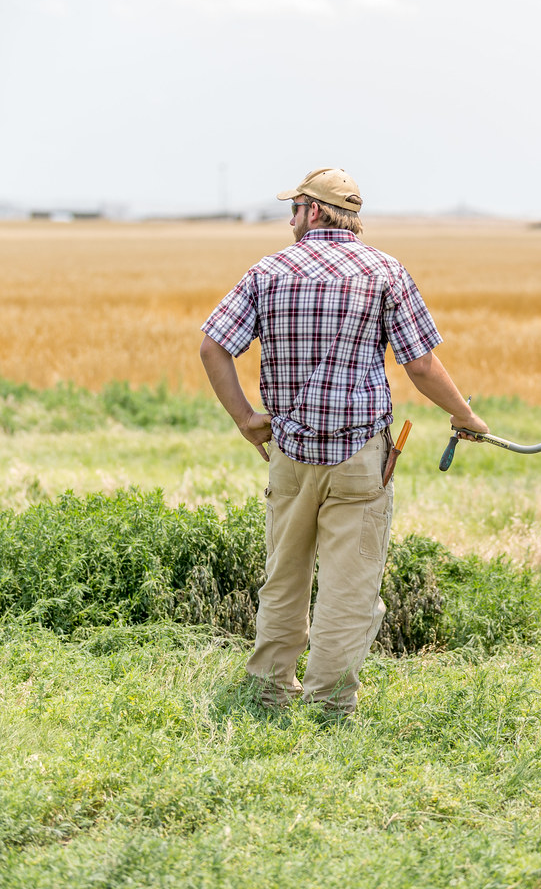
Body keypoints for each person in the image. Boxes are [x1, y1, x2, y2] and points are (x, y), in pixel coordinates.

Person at [200, 167, 488, 715]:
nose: (289, 219)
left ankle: (268, 694)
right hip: (360, 459)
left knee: (283, 576)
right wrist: (466, 416)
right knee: (349, 589)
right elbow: (421, 365)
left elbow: (213, 347)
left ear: (314, 212)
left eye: (295, 208)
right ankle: (330, 707)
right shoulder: (384, 271)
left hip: (287, 454)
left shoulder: (268, 272)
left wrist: (244, 418)